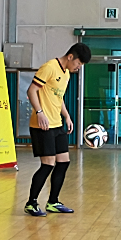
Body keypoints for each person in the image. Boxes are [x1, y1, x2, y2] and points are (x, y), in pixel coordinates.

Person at [24, 43, 91, 217]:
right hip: (42, 125)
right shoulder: (49, 67)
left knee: (63, 162)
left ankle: (53, 202)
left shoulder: (66, 73)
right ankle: (31, 203)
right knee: (47, 165)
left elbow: (58, 97)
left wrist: (67, 116)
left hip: (56, 124)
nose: (78, 68)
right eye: (78, 64)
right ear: (70, 57)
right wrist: (39, 112)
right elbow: (31, 90)